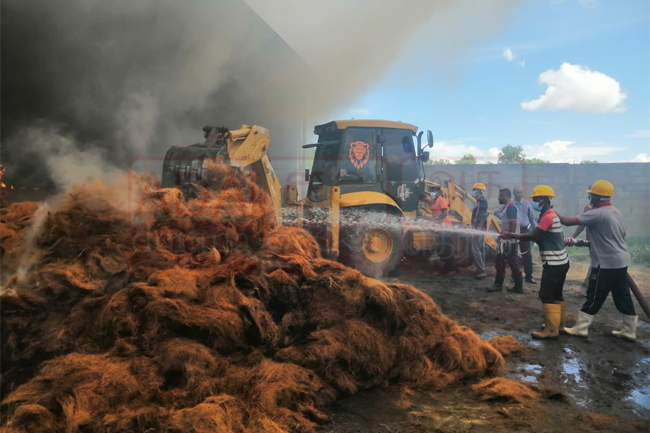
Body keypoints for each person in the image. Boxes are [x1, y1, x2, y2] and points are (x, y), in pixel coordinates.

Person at [556, 180, 637, 340]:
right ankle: (629, 330)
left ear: (597, 197)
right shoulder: (615, 212)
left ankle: (581, 328)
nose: (589, 197)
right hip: (620, 261)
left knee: (594, 295)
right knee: (622, 296)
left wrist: (550, 212)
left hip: (606, 263)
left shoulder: (597, 213)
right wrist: (577, 241)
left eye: (591, 195)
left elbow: (567, 221)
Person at [500, 185, 569, 339]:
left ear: (544, 199)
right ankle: (558, 326)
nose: (535, 202)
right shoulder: (550, 214)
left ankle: (550, 331)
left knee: (546, 294)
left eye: (537, 199)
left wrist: (511, 235)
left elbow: (533, 236)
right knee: (557, 294)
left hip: (554, 263)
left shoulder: (548, 217)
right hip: (562, 262)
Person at [486, 188, 523, 293]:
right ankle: (517, 287)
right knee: (504, 262)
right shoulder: (508, 207)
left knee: (507, 263)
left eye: (501, 195)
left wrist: (508, 239)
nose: (499, 197)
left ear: (506, 196)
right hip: (507, 241)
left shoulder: (511, 207)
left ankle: (500, 285)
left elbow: (513, 224)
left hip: (508, 242)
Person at [423, 184, 456, 276]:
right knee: (442, 249)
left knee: (447, 248)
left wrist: (435, 219)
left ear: (438, 192)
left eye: (434, 191)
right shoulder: (433, 201)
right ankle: (446, 268)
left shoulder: (441, 200)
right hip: (439, 228)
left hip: (446, 228)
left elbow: (445, 214)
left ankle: (452, 269)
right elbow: (424, 199)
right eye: (431, 191)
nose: (432, 192)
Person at [569, 185, 594, 296]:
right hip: (593, 241)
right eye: (589, 193)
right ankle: (586, 287)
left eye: (591, 193)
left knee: (597, 264)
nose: (590, 195)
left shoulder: (598, 209)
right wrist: (573, 237)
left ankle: (587, 287)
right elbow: (581, 224)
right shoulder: (589, 208)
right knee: (596, 264)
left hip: (600, 241)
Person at [513, 186, 538, 284]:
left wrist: (537, 230)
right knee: (513, 254)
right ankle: (515, 275)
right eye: (517, 192)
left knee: (527, 254)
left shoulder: (526, 204)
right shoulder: (510, 204)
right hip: (514, 231)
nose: (519, 194)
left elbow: (532, 219)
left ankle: (529, 276)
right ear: (513, 193)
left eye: (521, 192)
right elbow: (498, 212)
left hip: (525, 231)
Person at [470, 183, 488, 279]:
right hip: (478, 229)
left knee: (475, 250)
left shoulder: (483, 201)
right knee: (480, 249)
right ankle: (481, 269)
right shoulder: (479, 202)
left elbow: (482, 217)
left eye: (475, 190)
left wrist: (478, 230)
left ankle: (481, 270)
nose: (473, 192)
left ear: (480, 191)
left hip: (479, 229)